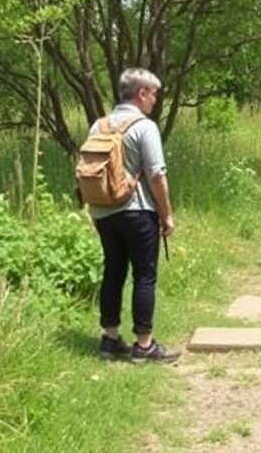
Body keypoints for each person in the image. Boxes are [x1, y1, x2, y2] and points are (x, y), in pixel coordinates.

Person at [89, 67, 179, 363]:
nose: (154, 99)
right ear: (141, 93)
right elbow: (156, 175)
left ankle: (110, 340)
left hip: (104, 211)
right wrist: (166, 215)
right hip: (138, 211)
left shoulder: (98, 126)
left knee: (113, 271)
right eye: (153, 93)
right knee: (144, 275)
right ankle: (144, 345)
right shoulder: (144, 126)